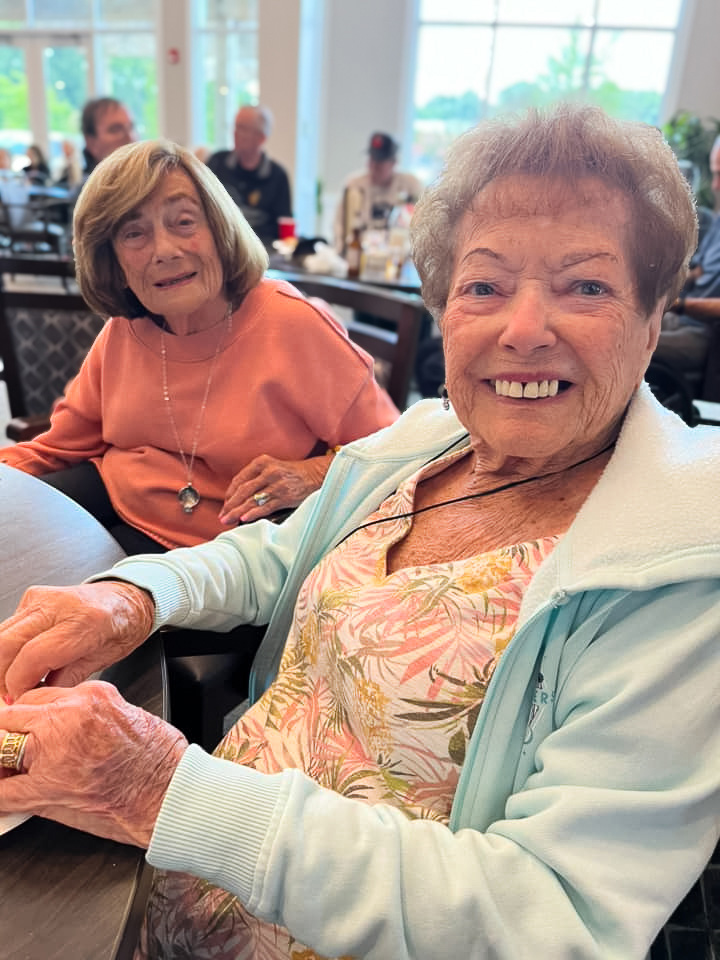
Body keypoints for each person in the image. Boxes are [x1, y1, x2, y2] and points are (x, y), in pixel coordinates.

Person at [0, 104, 719, 960]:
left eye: (586, 285)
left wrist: (160, 788)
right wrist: (132, 595)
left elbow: (552, 919)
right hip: (167, 866)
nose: (523, 329)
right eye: (484, 286)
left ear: (653, 315)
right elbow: (277, 554)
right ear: (446, 308)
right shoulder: (427, 441)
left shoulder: (677, 565)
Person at [0, 138, 398, 554]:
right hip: (112, 507)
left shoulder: (292, 324)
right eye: (134, 233)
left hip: (232, 558)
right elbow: (56, 448)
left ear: (219, 231)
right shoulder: (124, 331)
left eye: (184, 222)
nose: (165, 251)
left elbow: (401, 451)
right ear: (113, 263)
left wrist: (315, 473)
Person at [654, 134, 720, 374]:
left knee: (624, 343)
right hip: (683, 319)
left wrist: (678, 304)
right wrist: (659, 286)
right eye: (715, 174)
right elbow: (700, 271)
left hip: (709, 338)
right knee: (617, 325)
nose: (714, 186)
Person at [207, 104, 292, 247]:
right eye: (236, 127)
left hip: (262, 249)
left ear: (261, 138)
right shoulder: (216, 163)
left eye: (243, 128)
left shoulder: (278, 175)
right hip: (221, 245)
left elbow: (284, 226)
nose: (235, 133)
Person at [334, 131, 424, 254]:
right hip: (361, 254)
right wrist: (342, 252)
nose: (374, 166)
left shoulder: (410, 185)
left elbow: (422, 224)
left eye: (380, 162)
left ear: (393, 163)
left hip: (396, 255)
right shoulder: (354, 185)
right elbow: (340, 224)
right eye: (372, 160)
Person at [80, 96, 136, 179]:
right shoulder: (86, 191)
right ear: (91, 143)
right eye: (116, 129)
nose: (130, 137)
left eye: (130, 127)